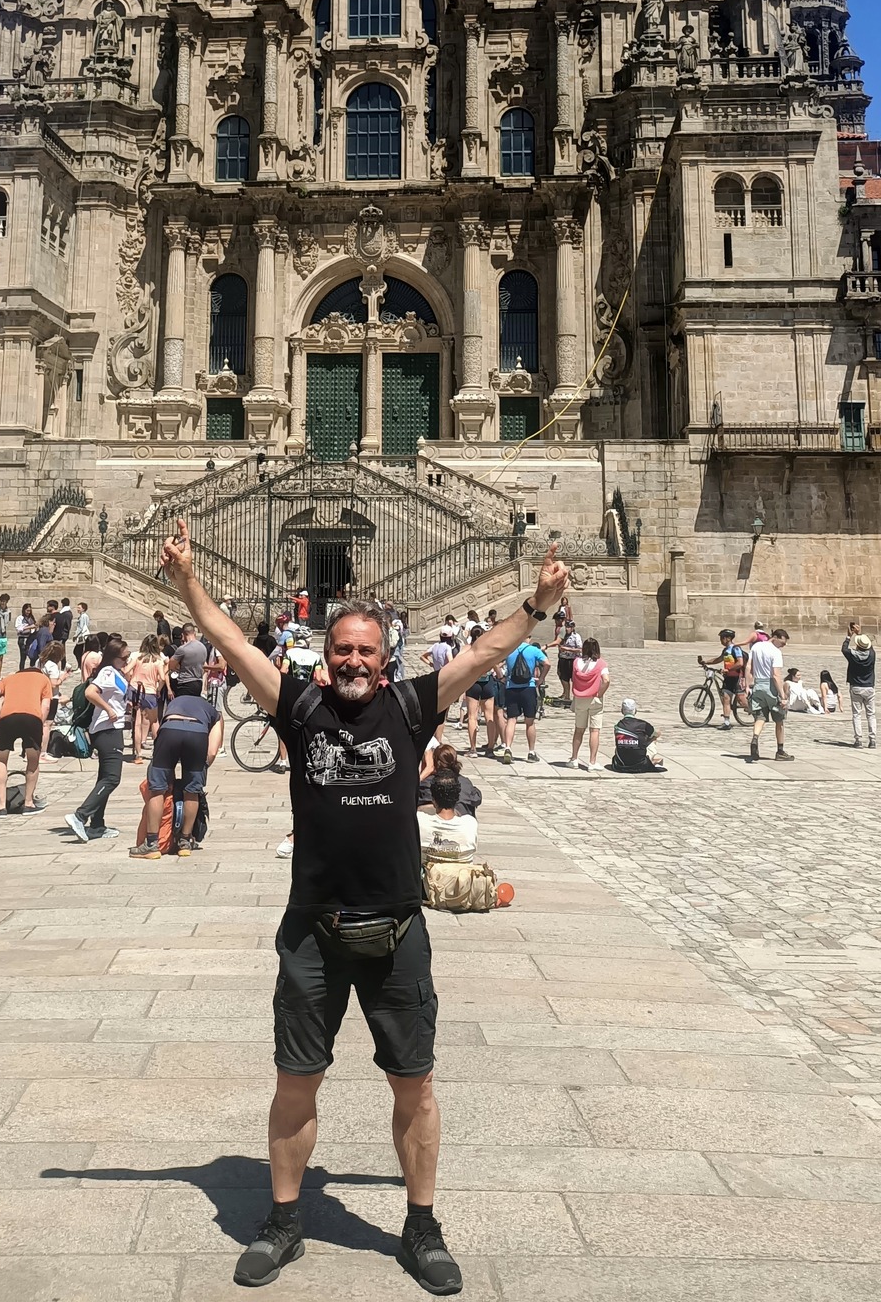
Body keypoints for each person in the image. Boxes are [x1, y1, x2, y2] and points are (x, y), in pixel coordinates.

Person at [155, 510, 570, 1295]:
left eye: (365, 651)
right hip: (311, 928)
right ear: (325, 656)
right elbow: (233, 644)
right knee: (294, 1080)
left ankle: (421, 1225)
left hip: (397, 928)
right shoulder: (298, 706)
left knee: (414, 1083)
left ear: (386, 662)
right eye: (340, 648)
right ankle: (283, 1222)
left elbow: (485, 652)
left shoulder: (413, 708)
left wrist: (539, 603)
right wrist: (187, 582)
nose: (351, 659)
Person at [129, 685, 224, 859]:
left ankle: (151, 844)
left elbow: (158, 732)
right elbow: (212, 751)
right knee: (192, 791)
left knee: (157, 789)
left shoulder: (173, 703)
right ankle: (185, 842)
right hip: (197, 735)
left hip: (170, 733)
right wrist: (201, 769)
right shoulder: (212, 710)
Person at [66, 644, 129, 843]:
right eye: (125, 656)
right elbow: (90, 692)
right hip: (107, 730)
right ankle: (80, 816)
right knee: (112, 778)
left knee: (104, 777)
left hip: (111, 729)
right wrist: (109, 709)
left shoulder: (116, 672)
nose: (127, 659)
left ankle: (97, 825)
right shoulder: (108, 672)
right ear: (115, 656)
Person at [0, 660, 54, 811]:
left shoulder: (9, 678)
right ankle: (28, 803)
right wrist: (40, 723)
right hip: (31, 719)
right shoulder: (44, 679)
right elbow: (46, 705)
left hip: (6, 718)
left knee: (1, 759)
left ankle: (1, 806)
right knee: (32, 759)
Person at [498, 634, 549, 764]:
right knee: (529, 721)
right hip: (528, 687)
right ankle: (531, 752)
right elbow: (547, 663)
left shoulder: (509, 649)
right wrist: (541, 678)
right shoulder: (533, 650)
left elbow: (495, 662)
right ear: (529, 637)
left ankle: (508, 748)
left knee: (511, 719)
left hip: (511, 688)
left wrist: (501, 677)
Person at [746, 626, 793, 762]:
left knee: (760, 716)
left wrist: (748, 685)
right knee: (779, 719)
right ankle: (780, 751)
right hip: (771, 686)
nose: (783, 646)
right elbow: (776, 675)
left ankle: (755, 738)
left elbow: (749, 666)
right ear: (775, 638)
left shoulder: (756, 647)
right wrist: (782, 696)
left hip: (758, 685)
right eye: (782, 643)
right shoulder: (775, 652)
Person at [418, 767, 478, 865]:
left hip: (427, 879)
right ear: (457, 798)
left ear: (433, 800)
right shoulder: (470, 824)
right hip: (460, 878)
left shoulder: (420, 821)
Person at [565, 638, 611, 769]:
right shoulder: (601, 664)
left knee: (579, 730)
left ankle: (574, 758)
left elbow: (573, 678)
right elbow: (606, 680)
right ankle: (592, 762)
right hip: (594, 698)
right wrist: (600, 693)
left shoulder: (576, 662)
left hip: (580, 698)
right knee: (594, 730)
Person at [462, 623, 501, 759]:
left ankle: (473, 749)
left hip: (473, 682)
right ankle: (490, 748)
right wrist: (500, 675)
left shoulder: (469, 649)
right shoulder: (488, 649)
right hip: (487, 682)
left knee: (472, 716)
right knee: (489, 716)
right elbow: (495, 665)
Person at [127, 635, 167, 763]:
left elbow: (126, 670)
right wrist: (158, 689)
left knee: (137, 723)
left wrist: (130, 680)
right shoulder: (157, 661)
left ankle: (137, 754)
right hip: (149, 692)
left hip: (135, 689)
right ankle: (158, 752)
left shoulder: (137, 658)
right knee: (154, 722)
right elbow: (162, 678)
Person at [698, 630, 746, 729]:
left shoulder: (736, 648)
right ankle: (727, 722)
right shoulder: (725, 651)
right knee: (726, 699)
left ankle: (757, 712)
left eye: (722, 638)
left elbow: (740, 663)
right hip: (728, 678)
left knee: (742, 702)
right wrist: (705, 662)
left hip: (737, 677)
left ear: (728, 638)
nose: (721, 640)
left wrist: (728, 669)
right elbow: (718, 659)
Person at [417, 741, 481, 815]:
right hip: (461, 822)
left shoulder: (426, 783)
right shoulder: (466, 783)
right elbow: (476, 799)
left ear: (435, 762)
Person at [841, 629, 877, 749]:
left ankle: (858, 739)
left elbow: (844, 649)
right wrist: (860, 634)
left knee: (857, 714)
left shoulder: (852, 655)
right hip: (869, 687)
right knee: (871, 714)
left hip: (856, 686)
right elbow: (870, 647)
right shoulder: (872, 655)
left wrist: (848, 636)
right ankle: (872, 740)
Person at [166, 621, 208, 699]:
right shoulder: (202, 647)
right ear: (194, 633)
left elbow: (171, 665)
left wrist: (179, 667)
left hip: (185, 683)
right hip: (198, 682)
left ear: (183, 634)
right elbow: (204, 666)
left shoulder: (183, 649)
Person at [553, 609, 582, 706]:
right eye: (566, 627)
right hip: (563, 658)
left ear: (573, 628)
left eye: (569, 627)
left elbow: (579, 649)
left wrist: (567, 649)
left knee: (573, 678)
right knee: (563, 677)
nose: (567, 629)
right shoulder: (563, 634)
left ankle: (574, 696)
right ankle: (566, 694)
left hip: (572, 660)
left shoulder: (576, 637)